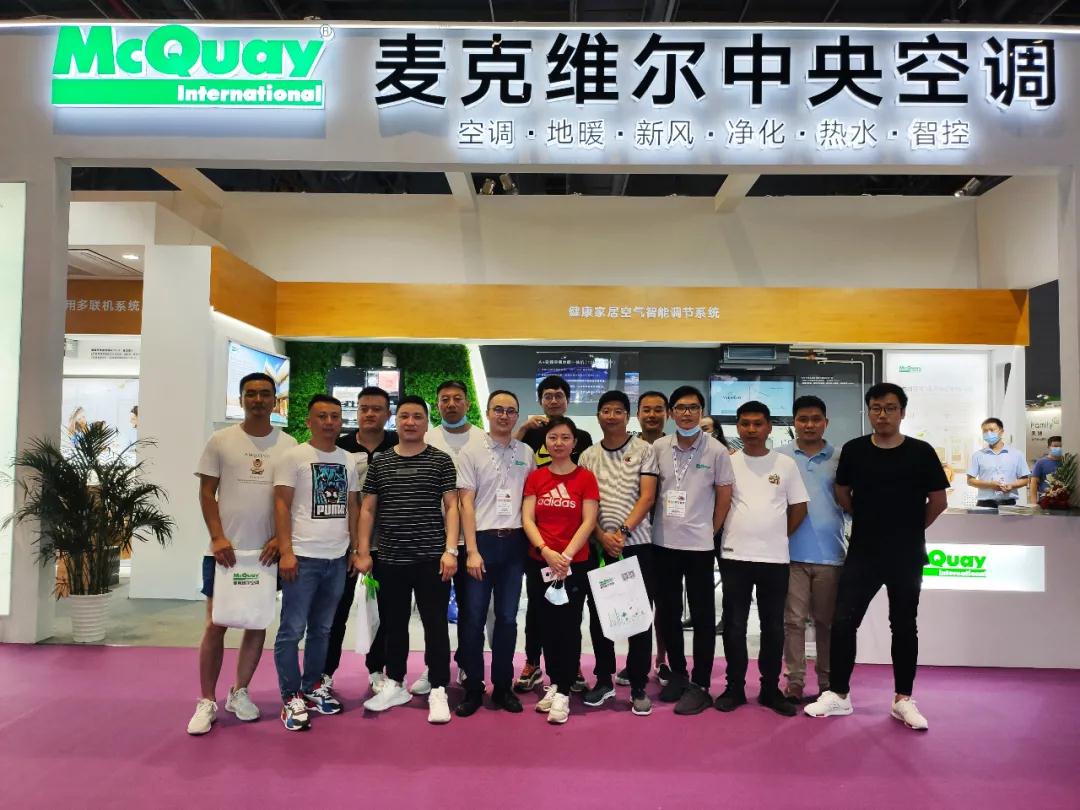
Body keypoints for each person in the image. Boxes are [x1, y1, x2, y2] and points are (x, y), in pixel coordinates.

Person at [805, 383, 949, 731]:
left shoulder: (921, 452)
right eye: (876, 408)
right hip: (863, 552)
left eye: (890, 408)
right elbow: (842, 492)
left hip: (906, 555)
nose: (882, 415)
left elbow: (938, 501)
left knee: (904, 624)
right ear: (869, 411)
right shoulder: (855, 450)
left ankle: (903, 699)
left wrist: (910, 528)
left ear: (902, 412)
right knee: (844, 621)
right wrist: (867, 520)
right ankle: (839, 694)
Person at [188, 372, 297, 735]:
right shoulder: (221, 441)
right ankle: (207, 700)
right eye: (251, 394)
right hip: (224, 552)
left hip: (265, 555)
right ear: (241, 399)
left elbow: (292, 500)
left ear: (275, 400)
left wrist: (280, 539)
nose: (258, 400)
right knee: (215, 623)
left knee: (256, 622)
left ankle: (240, 692)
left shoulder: (289, 444)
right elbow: (207, 493)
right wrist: (218, 537)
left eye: (265, 394)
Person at [358, 396, 460, 724]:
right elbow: (368, 509)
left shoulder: (441, 460)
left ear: (427, 423)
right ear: (396, 421)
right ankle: (396, 683)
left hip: (432, 559)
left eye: (417, 416)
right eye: (404, 416)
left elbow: (452, 506)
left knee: (435, 626)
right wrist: (363, 551)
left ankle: (439, 688)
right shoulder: (381, 462)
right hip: (390, 559)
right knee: (394, 625)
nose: (411, 422)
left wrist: (450, 551)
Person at [272, 394, 360, 732]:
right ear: (309, 421)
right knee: (292, 630)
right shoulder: (293, 457)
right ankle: (290, 696)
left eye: (335, 416)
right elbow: (281, 505)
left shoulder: (348, 459)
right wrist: (286, 551)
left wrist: (354, 548)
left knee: (323, 629)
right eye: (322, 416)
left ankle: (312, 686)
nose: (329, 422)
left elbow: (352, 506)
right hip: (302, 557)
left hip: (336, 558)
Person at [715, 401, 808, 717]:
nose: (751, 429)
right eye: (745, 424)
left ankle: (770, 689)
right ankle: (734, 688)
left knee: (773, 627)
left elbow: (799, 507)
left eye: (757, 424)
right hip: (734, 556)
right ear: (738, 427)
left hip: (774, 559)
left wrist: (778, 535)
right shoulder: (728, 463)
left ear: (769, 427)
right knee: (734, 626)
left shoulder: (785, 464)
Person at [651, 385, 734, 716]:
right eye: (681, 408)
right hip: (663, 543)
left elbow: (724, 495)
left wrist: (710, 530)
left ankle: (700, 684)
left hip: (700, 546)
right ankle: (678, 674)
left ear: (701, 412)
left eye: (694, 407)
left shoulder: (716, 450)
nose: (687, 413)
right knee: (668, 613)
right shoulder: (658, 447)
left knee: (702, 616)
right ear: (672, 413)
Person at [455, 390, 536, 717]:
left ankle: (502, 686)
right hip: (481, 543)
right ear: (487, 413)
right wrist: (471, 551)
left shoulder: (526, 453)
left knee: (507, 618)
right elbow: (465, 503)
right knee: (473, 618)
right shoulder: (471, 451)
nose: (504, 415)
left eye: (510, 411)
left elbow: (530, 501)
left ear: (517, 416)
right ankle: (474, 687)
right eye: (498, 409)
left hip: (515, 545)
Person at [579, 391, 658, 716]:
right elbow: (586, 504)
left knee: (638, 617)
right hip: (599, 547)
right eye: (606, 411)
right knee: (601, 617)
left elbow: (647, 497)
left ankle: (638, 684)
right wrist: (600, 535)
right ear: (598, 416)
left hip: (636, 545)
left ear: (628, 416)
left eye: (618, 411)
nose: (611, 416)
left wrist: (622, 533)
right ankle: (603, 680)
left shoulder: (644, 450)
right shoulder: (588, 456)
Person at [514, 375, 593, 694]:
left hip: (573, 552)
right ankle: (533, 662)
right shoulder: (532, 434)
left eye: (559, 395)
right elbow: (511, 452)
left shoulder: (583, 445)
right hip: (539, 547)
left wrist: (567, 555)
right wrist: (546, 550)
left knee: (571, 615)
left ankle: (570, 666)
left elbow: (587, 515)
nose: (553, 400)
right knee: (538, 610)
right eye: (548, 395)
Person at [409, 379, 487, 696]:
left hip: (472, 541)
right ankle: (434, 667)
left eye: (457, 398)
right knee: (433, 613)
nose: (451, 404)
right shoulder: (426, 438)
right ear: (437, 404)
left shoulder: (483, 439)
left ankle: (468, 663)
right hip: (433, 540)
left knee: (472, 611)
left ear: (467, 403)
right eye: (444, 399)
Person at [522, 416, 599, 725]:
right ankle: (554, 683)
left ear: (574, 443)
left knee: (568, 626)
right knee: (546, 625)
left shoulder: (585, 478)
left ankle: (565, 690)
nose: (558, 443)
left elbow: (589, 521)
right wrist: (546, 551)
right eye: (553, 437)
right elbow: (528, 519)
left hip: (573, 565)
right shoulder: (536, 477)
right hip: (540, 562)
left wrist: (565, 557)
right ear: (545, 443)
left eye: (565, 437)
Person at [323, 386, 398, 698]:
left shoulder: (398, 445)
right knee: (335, 612)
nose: (369, 414)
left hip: (388, 545)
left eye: (377, 409)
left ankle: (377, 669)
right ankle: (325, 673)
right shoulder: (338, 447)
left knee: (383, 612)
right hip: (345, 546)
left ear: (388, 414)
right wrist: (354, 546)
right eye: (364, 408)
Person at [776, 396, 846, 706]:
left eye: (816, 419)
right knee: (792, 622)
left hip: (831, 555)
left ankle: (827, 682)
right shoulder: (780, 457)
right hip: (790, 555)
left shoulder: (840, 458)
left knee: (826, 623)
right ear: (794, 422)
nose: (809, 425)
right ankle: (794, 681)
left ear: (825, 423)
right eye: (803, 419)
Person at [636, 390, 673, 685]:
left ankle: (662, 660)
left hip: (667, 537)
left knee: (665, 603)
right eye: (646, 410)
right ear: (637, 414)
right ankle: (637, 662)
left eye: (658, 409)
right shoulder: (630, 447)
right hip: (635, 538)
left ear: (667, 414)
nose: (652, 415)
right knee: (636, 603)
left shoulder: (675, 447)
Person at [966, 418, 1030, 508]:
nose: (988, 433)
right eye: (985, 431)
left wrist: (1012, 485)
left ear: (1001, 431)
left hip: (1008, 503)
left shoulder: (1016, 454)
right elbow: (970, 481)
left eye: (992, 430)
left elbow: (1025, 480)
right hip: (985, 504)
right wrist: (989, 485)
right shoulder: (978, 455)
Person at [1030, 435, 1064, 502]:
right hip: (1044, 500)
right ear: (1049, 447)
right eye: (1055, 446)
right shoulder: (1041, 462)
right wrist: (1034, 502)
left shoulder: (1065, 462)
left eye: (1060, 446)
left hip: (1062, 500)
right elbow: (1033, 482)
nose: (1058, 448)